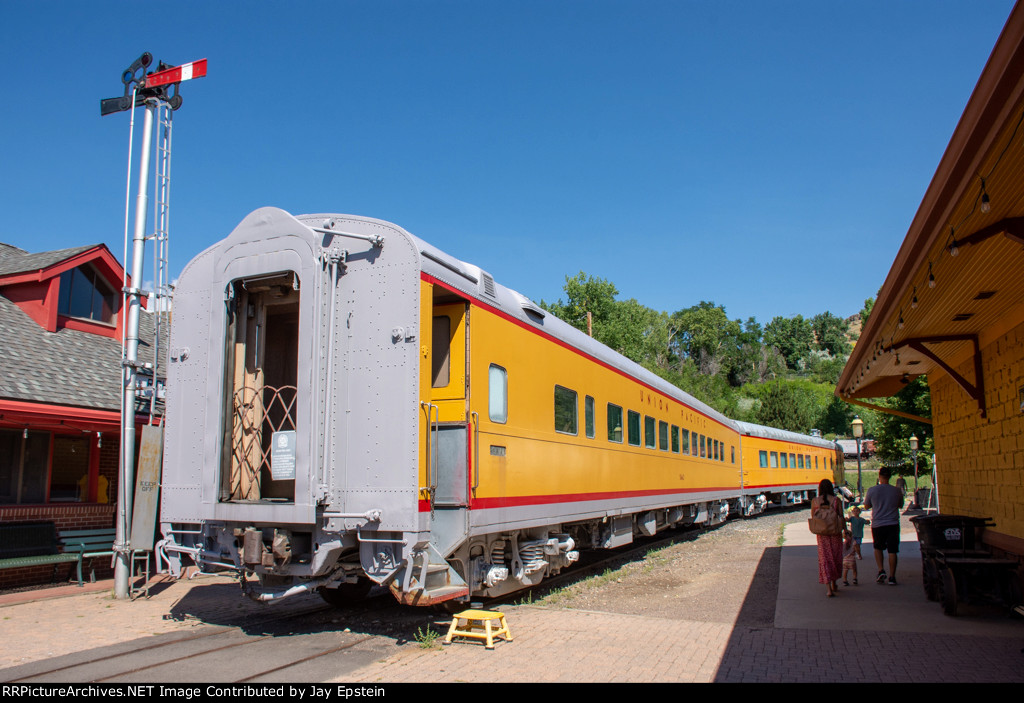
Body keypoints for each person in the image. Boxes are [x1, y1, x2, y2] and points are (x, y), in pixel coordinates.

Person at [864, 466, 905, 585]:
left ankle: (881, 570)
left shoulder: (872, 490)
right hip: (893, 523)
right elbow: (900, 505)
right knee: (892, 550)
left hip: (878, 524)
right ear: (890, 477)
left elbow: (867, 506)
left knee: (878, 548)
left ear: (879, 476)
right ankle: (892, 577)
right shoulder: (896, 490)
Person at [811, 479, 845, 597]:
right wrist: (845, 531)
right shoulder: (836, 501)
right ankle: (835, 583)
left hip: (822, 535)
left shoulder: (815, 501)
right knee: (835, 558)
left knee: (825, 559)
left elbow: (813, 517)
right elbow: (841, 517)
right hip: (835, 533)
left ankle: (829, 589)